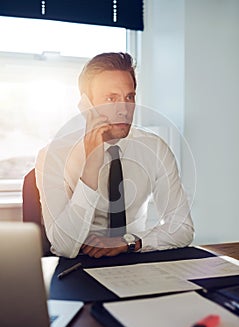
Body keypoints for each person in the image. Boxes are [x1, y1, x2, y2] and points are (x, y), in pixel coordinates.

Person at [35, 52, 194, 259]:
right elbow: (65, 246)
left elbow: (183, 228)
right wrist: (92, 163)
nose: (124, 110)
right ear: (87, 105)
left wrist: (131, 243)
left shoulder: (154, 148)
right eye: (111, 98)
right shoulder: (52, 156)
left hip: (134, 258)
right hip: (77, 266)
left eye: (129, 97)